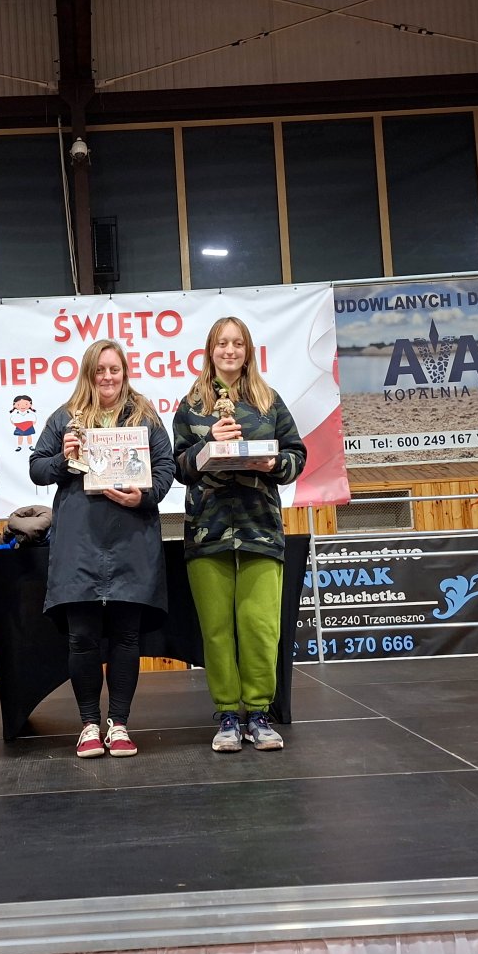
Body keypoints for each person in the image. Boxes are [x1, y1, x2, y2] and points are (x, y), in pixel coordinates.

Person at [29, 341, 176, 758]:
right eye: (100, 370)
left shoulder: (145, 417)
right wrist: (63, 459)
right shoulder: (66, 417)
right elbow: (37, 467)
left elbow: (166, 468)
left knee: (127, 636)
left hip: (132, 539)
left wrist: (144, 496)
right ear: (88, 374)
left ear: (124, 372)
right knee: (82, 637)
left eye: (114, 369)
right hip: (80, 542)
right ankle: (89, 725)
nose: (107, 377)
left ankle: (120, 724)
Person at [172, 317, 306, 753]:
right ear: (210, 350)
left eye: (237, 344)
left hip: (260, 529)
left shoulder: (269, 401)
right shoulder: (191, 405)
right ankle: (228, 715)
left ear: (248, 351)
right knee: (216, 630)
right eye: (222, 343)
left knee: (260, 627)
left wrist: (274, 464)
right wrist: (207, 443)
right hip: (206, 532)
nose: (229, 351)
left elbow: (296, 456)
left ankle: (260, 714)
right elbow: (177, 467)